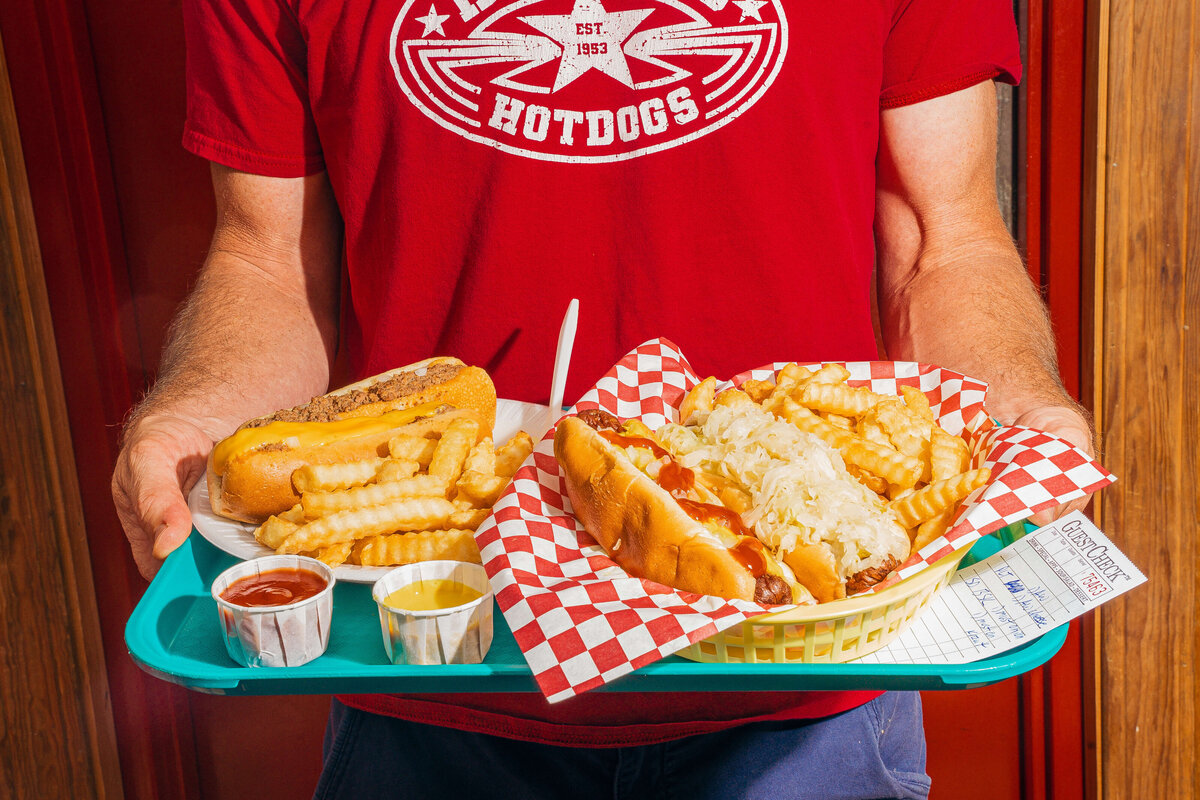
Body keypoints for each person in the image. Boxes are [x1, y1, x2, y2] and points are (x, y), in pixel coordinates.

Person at [111, 0, 1095, 797]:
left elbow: (946, 240)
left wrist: (1023, 415)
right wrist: (197, 411)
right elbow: (267, 261)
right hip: (440, 663)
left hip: (802, 687)